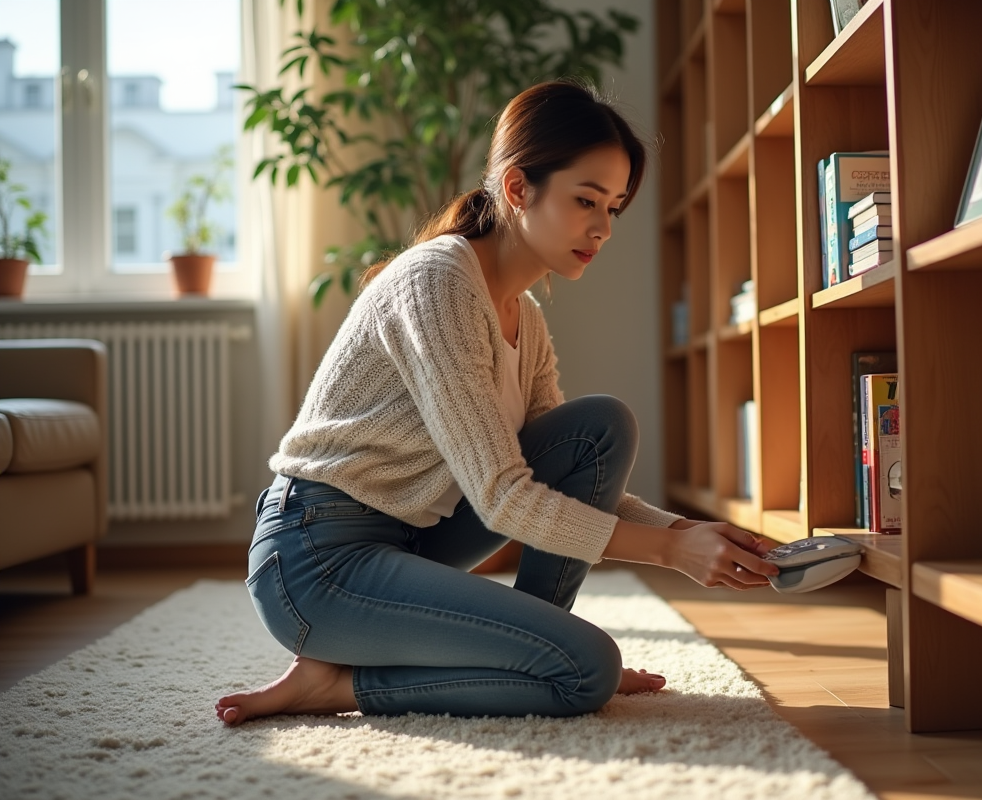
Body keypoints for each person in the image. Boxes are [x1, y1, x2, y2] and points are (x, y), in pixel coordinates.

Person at [215, 81, 779, 727]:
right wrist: (667, 554)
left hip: (410, 540)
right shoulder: (436, 282)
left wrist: (688, 534)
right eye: (585, 201)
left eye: (615, 208)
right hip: (318, 560)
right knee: (586, 673)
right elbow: (504, 497)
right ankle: (340, 686)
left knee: (597, 429)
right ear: (517, 189)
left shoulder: (525, 318)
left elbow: (566, 479)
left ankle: (539, 645)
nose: (602, 228)